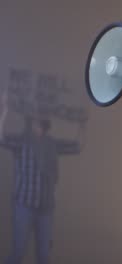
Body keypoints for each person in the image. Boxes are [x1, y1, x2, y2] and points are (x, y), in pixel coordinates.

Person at [0, 88, 85, 264]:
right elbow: (1, 139)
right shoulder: (22, 141)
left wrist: (82, 124)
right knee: (18, 252)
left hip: (46, 208)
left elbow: (77, 146)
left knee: (44, 256)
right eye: (34, 123)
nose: (36, 126)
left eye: (40, 124)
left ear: (44, 126)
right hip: (23, 205)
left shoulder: (51, 144)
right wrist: (4, 110)